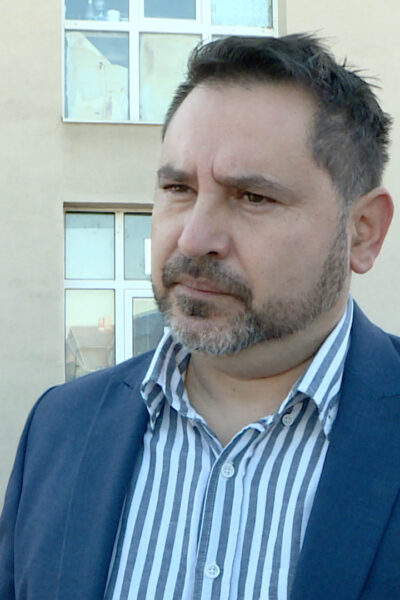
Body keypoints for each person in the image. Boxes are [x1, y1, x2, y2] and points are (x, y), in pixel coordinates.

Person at [1, 33, 399, 600]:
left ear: (362, 232)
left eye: (253, 197)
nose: (193, 238)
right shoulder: (59, 428)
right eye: (178, 187)